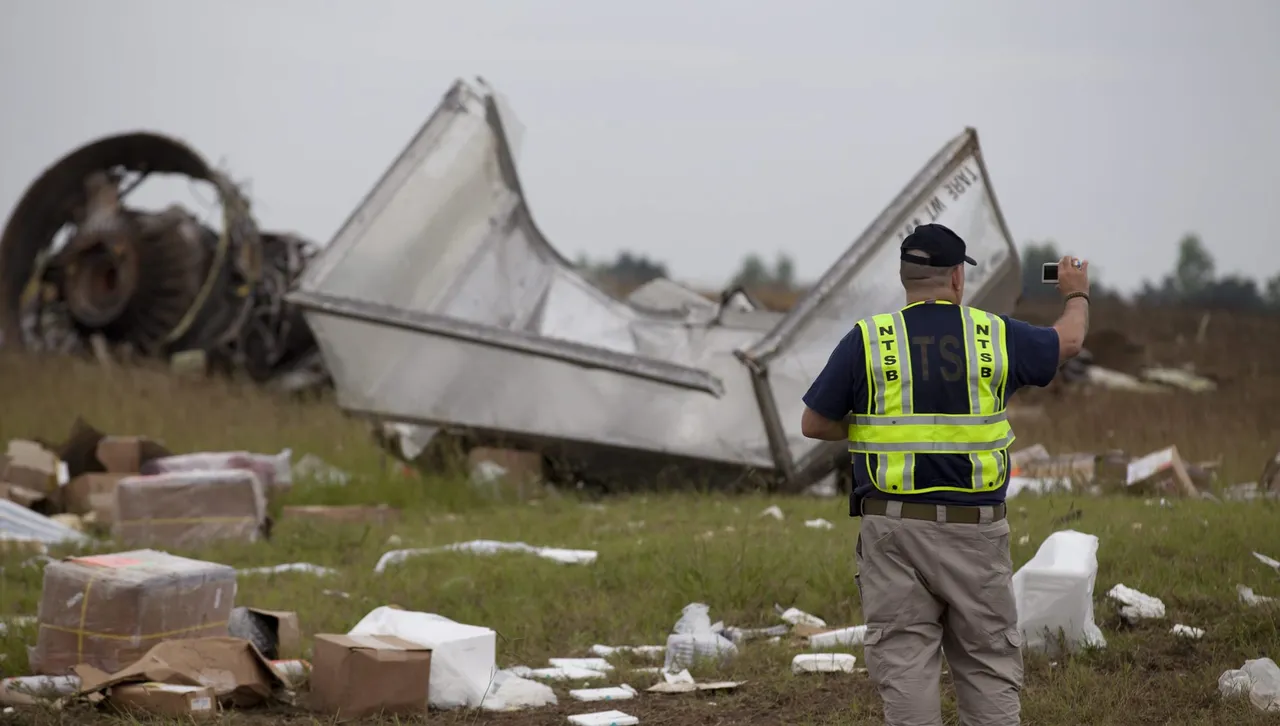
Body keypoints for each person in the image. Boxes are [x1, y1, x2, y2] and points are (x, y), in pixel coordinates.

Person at [798, 223, 1090, 726]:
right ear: (957, 278)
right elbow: (1069, 341)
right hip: (975, 532)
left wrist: (876, 424)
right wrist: (1077, 292)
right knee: (986, 664)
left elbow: (814, 422)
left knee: (906, 666)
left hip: (893, 530)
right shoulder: (994, 335)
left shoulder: (869, 339)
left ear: (906, 278)